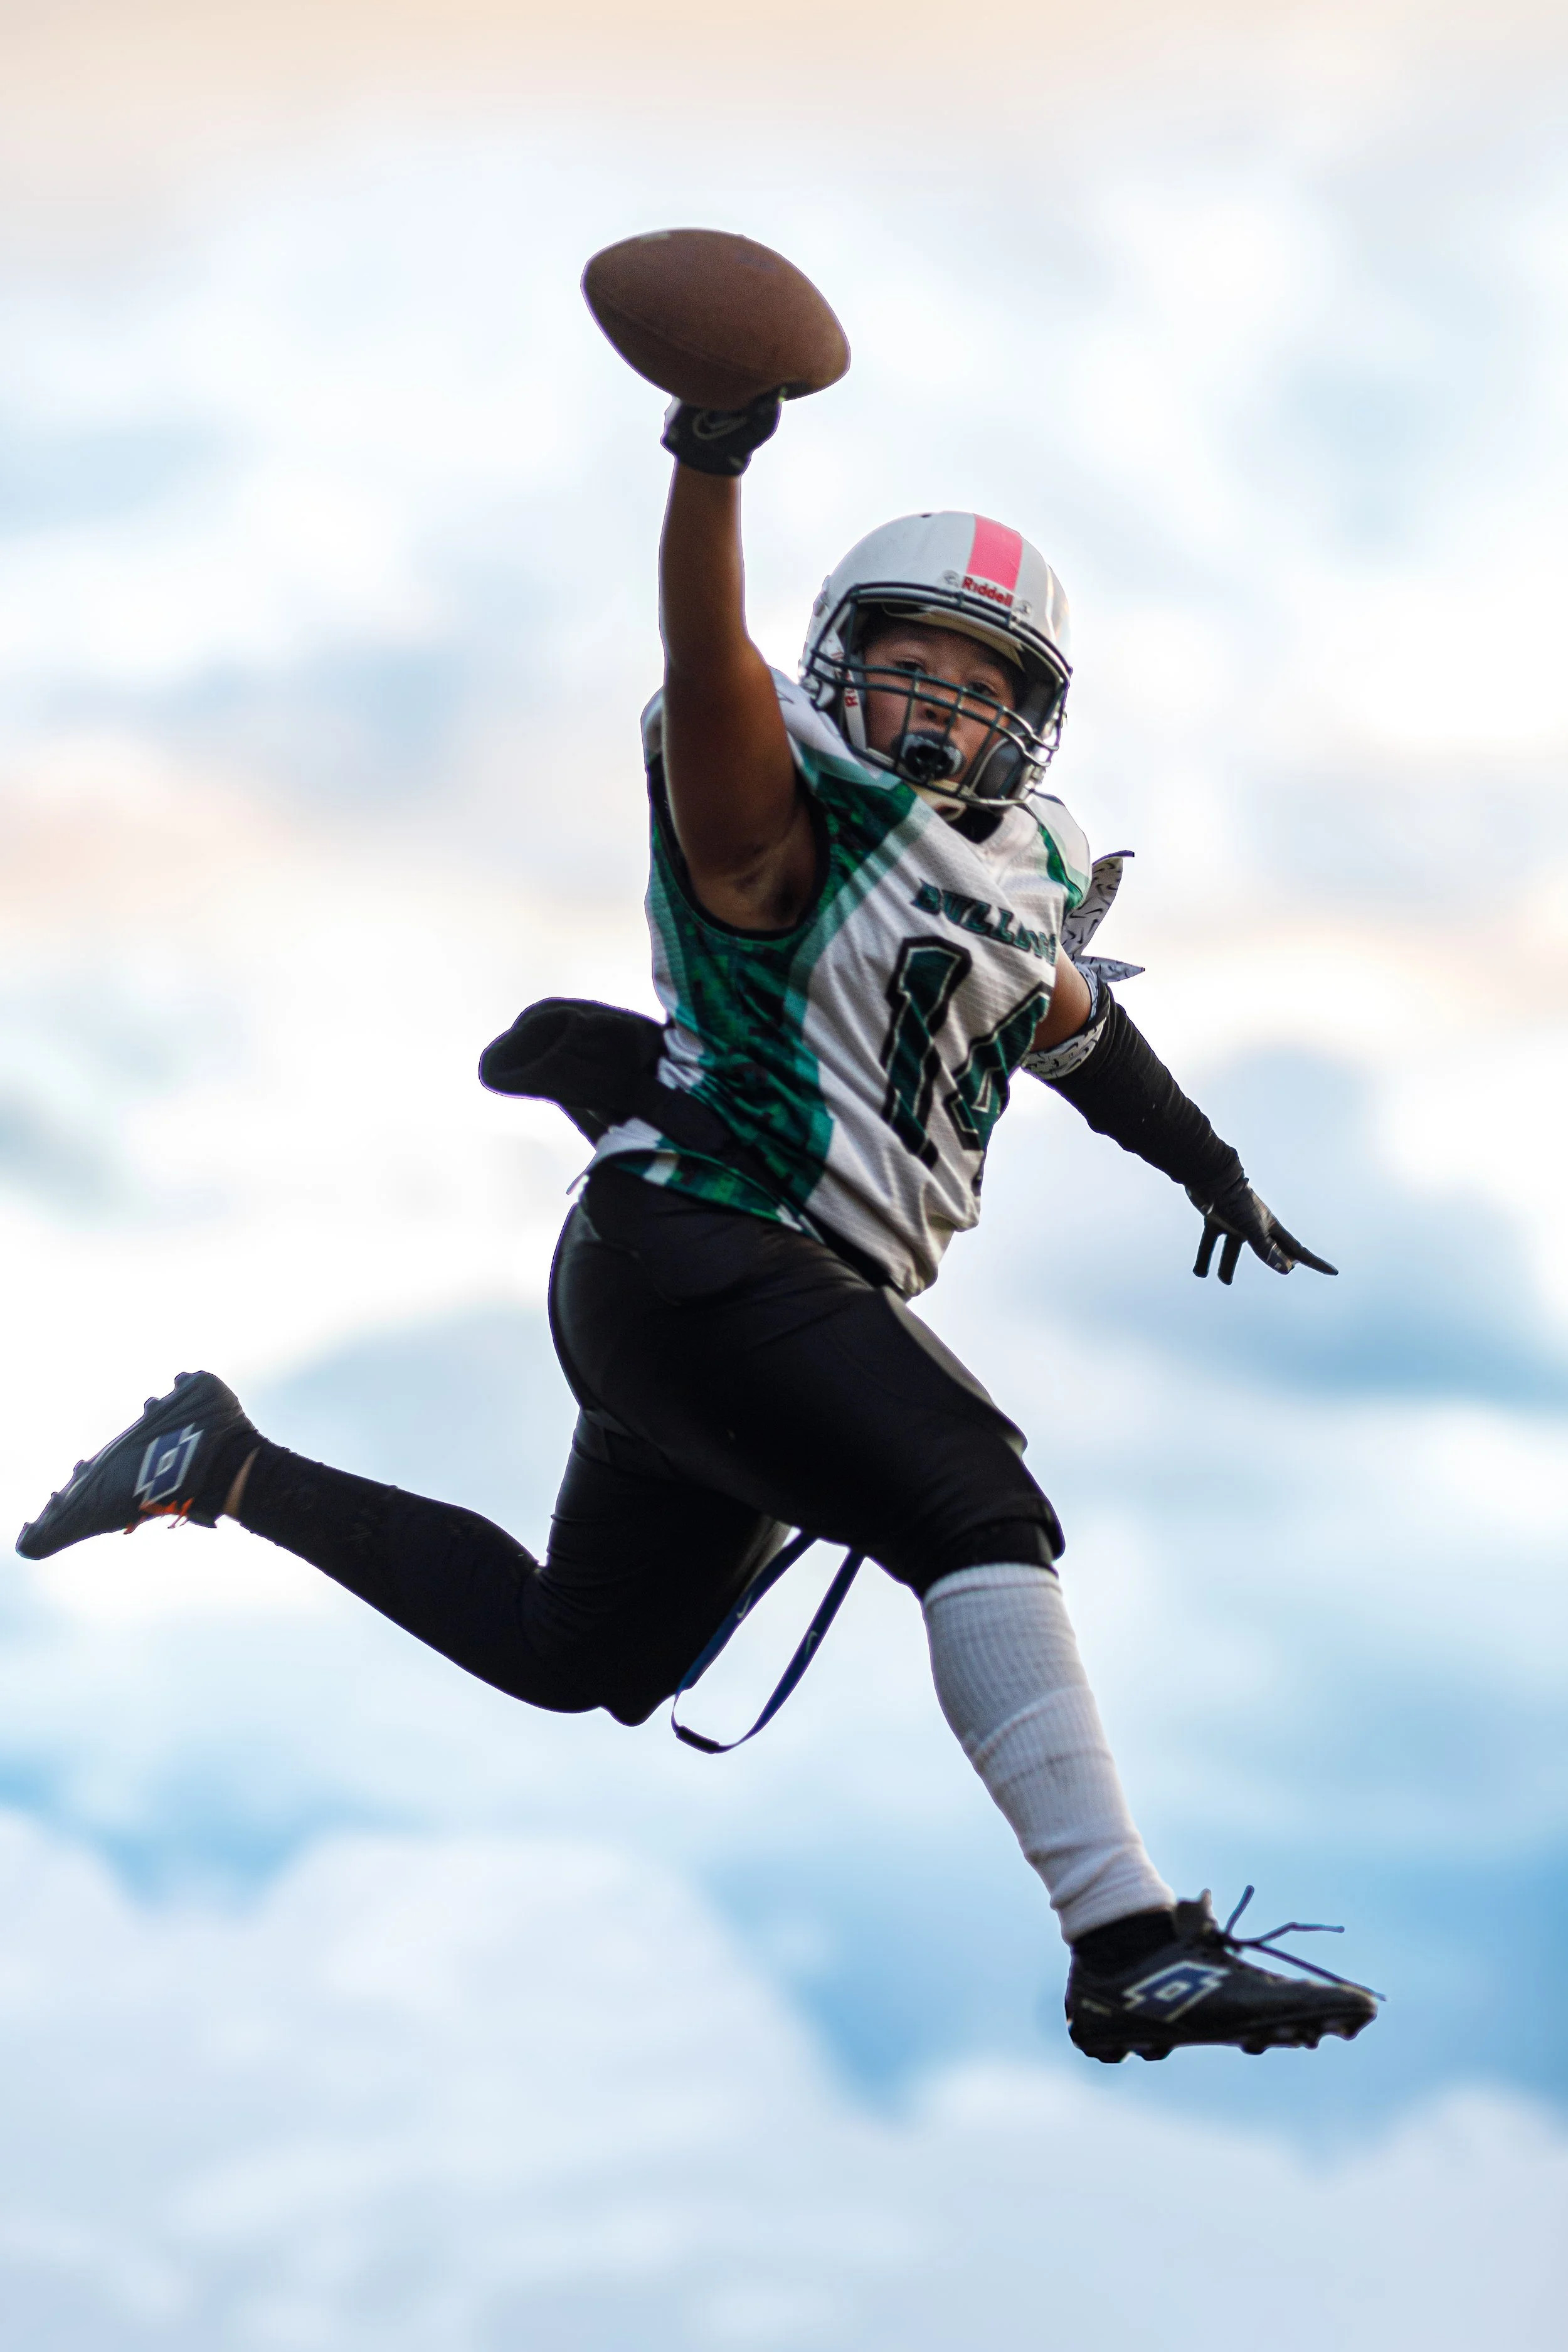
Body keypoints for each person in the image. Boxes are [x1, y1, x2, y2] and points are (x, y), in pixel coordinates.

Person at [16, 388, 1377, 2064]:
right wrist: (710, 464)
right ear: (837, 662)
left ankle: (219, 1464)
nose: (945, 708)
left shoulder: (1019, 868)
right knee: (974, 1501)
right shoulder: (777, 811)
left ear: (1030, 723)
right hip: (705, 1240)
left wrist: (1209, 1166)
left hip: (729, 1293)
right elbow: (707, 653)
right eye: (914, 666)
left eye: (982, 686)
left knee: (580, 1653)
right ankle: (1127, 1939)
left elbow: (1073, 1025)